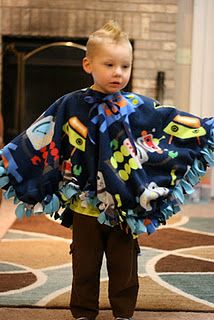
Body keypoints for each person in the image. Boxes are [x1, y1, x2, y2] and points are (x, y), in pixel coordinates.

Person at [0, 21, 214, 320]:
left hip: (125, 204)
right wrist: (11, 158)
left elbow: (168, 121)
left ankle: (123, 312)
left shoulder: (136, 106)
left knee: (124, 264)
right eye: (110, 64)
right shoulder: (70, 104)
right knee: (84, 265)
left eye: (125, 66)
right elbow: (42, 133)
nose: (118, 72)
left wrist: (206, 128)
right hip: (85, 207)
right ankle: (83, 312)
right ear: (88, 64)